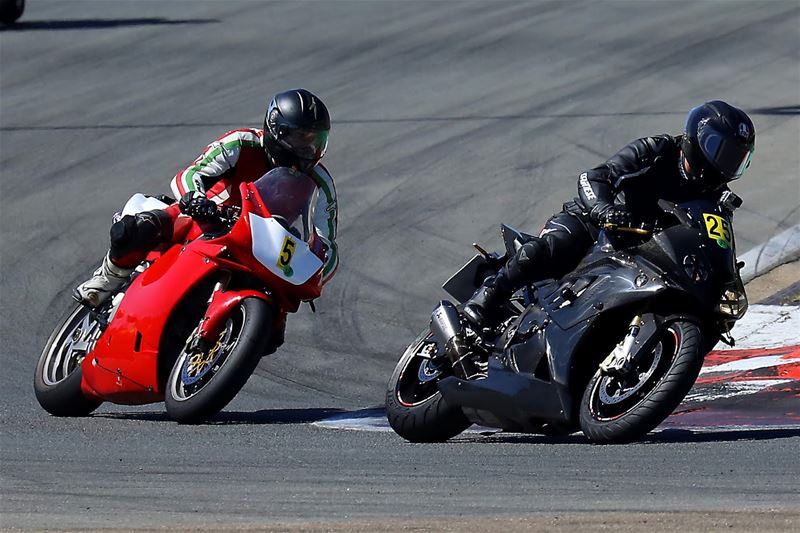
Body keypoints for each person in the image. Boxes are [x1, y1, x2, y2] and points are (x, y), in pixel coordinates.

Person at [462, 100, 756, 329]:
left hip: (645, 253)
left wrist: (727, 283)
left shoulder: (715, 200)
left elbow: (717, 243)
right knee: (551, 248)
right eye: (722, 152)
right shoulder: (658, 150)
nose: (725, 165)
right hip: (594, 224)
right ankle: (486, 299)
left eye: (736, 160)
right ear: (698, 138)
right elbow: (593, 177)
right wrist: (604, 210)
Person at [75, 88, 338, 308]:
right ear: (276, 130)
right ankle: (108, 278)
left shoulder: (321, 183)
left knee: (276, 318)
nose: (309, 149)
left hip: (262, 249)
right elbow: (191, 173)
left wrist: (312, 276)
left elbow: (327, 246)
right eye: (301, 138)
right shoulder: (242, 142)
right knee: (142, 226)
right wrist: (195, 198)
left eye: (317, 140)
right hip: (209, 218)